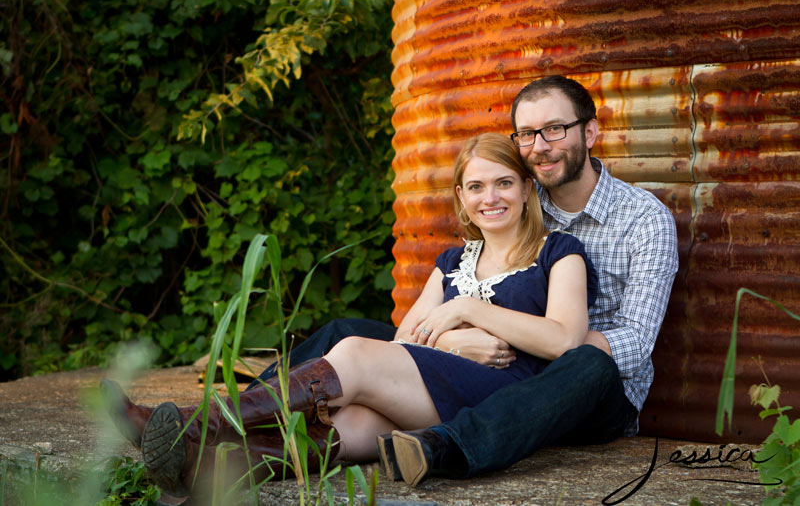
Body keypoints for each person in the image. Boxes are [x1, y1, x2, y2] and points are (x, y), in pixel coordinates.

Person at [102, 132, 599, 500]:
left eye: (504, 183)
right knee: (357, 423)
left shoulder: (559, 251)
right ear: (462, 199)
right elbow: (407, 337)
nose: (490, 198)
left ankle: (196, 423)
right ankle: (206, 467)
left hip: (507, 397)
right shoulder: (454, 261)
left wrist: (465, 309)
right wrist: (450, 341)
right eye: (476, 187)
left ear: (528, 190)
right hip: (443, 384)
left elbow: (563, 342)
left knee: (357, 353)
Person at [243, 75, 679, 486]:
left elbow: (636, 343)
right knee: (345, 332)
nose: (539, 146)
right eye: (526, 134)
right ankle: (234, 418)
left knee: (586, 363)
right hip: (495, 368)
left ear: (589, 133)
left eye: (555, 129)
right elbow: (464, 283)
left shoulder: (643, 220)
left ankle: (445, 445)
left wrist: (522, 336)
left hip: (586, 389)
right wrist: (452, 343)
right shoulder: (514, 196)